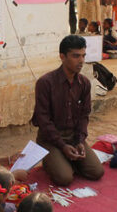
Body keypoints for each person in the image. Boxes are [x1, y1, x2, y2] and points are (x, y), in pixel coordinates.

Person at [31, 35, 104, 186]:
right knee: (64, 178)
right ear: (62, 56)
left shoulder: (84, 83)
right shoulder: (45, 83)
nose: (81, 61)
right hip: (50, 139)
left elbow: (84, 116)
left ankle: (66, 159)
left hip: (73, 137)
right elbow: (43, 121)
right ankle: (54, 159)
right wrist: (62, 146)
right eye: (76, 56)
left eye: (83, 55)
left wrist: (80, 141)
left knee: (96, 172)